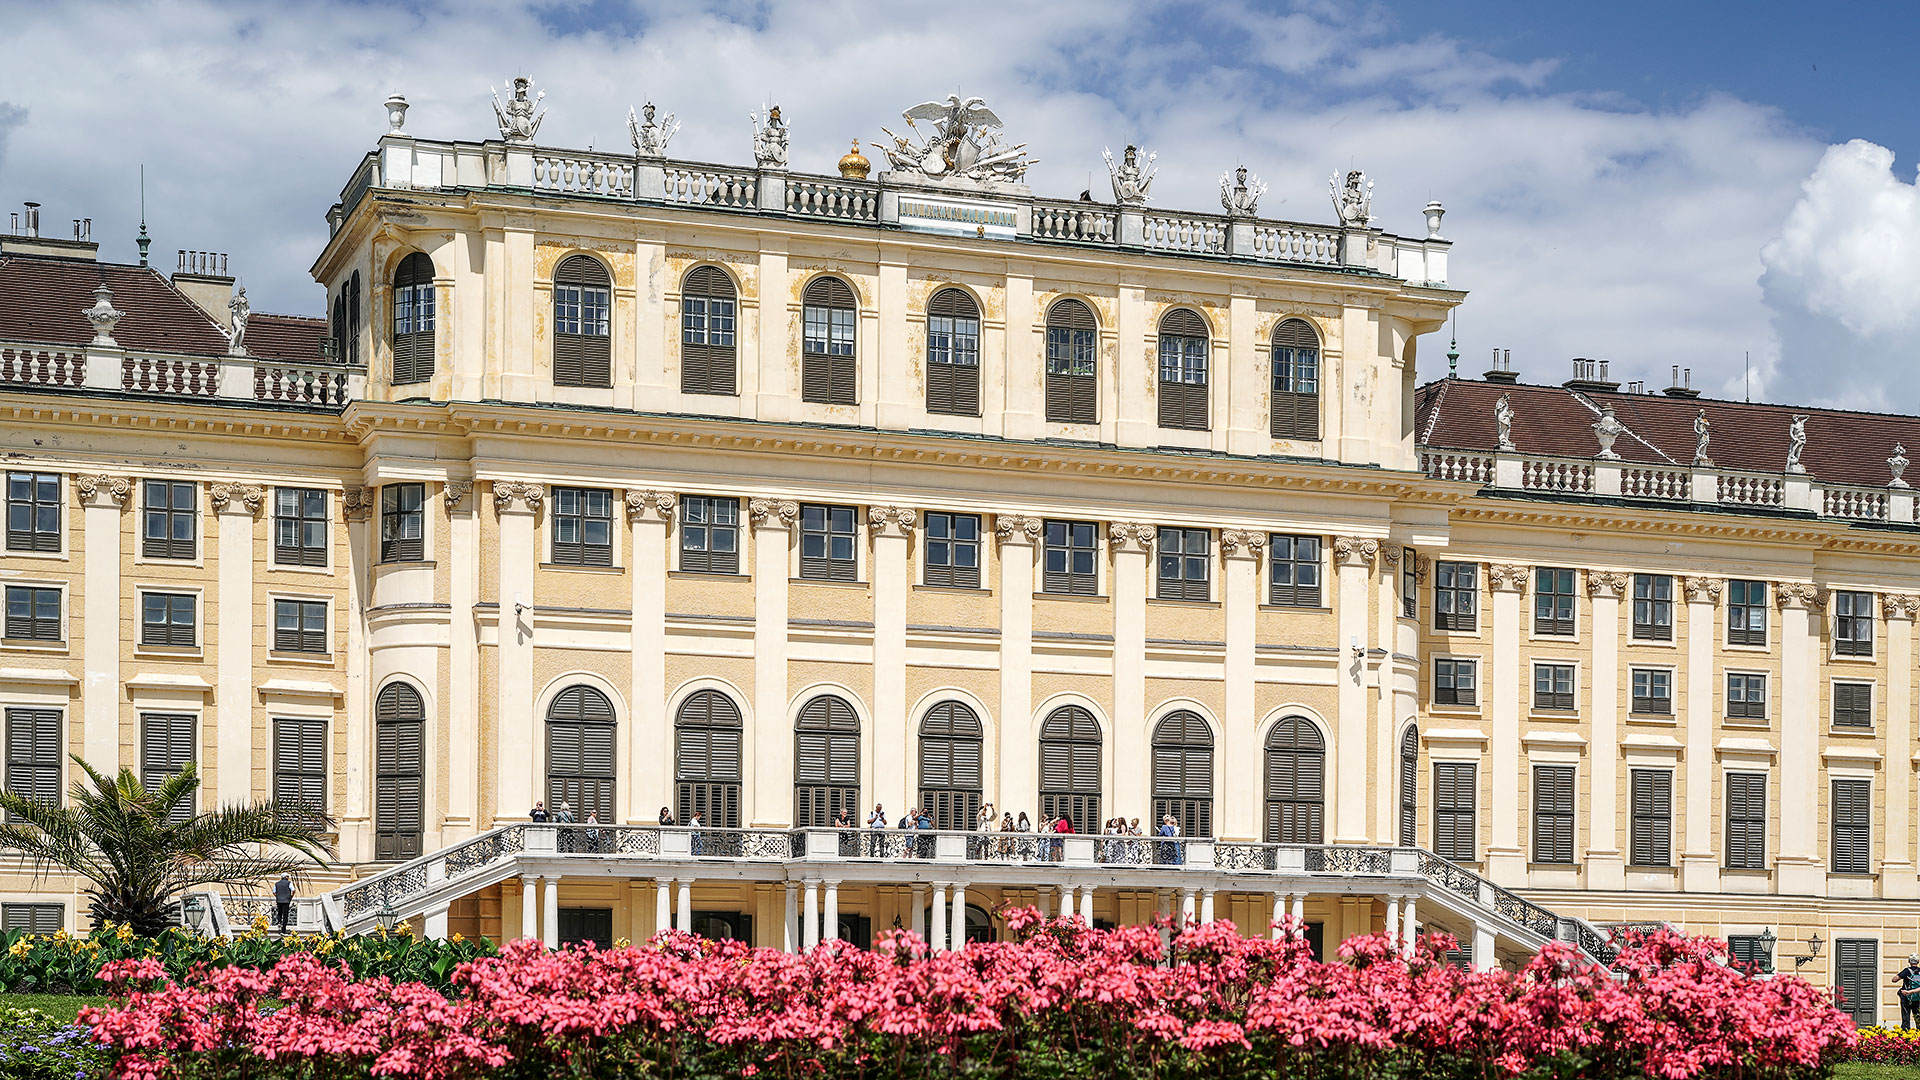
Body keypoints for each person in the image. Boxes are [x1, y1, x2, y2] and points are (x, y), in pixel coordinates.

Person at [1895, 954, 1920, 1029]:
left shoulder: (1907, 971)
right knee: (1917, 1017)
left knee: (1906, 1017)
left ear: (1909, 961)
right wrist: (1913, 991)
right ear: (1918, 961)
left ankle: (1906, 1035)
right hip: (1917, 997)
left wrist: (1909, 992)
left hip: (1906, 996)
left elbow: (1894, 980)